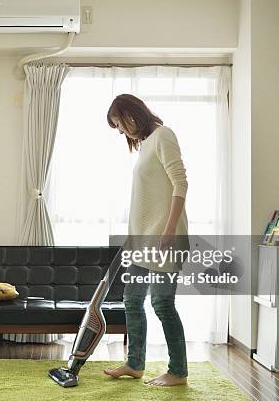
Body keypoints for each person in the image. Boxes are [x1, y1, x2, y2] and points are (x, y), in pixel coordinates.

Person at [103, 94, 189, 387]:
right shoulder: (145, 146)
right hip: (142, 242)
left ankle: (178, 371)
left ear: (131, 114)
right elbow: (147, 199)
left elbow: (181, 183)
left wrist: (169, 230)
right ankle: (135, 364)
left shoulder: (164, 135)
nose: (121, 132)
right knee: (132, 300)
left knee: (163, 304)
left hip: (165, 238)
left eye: (119, 124)